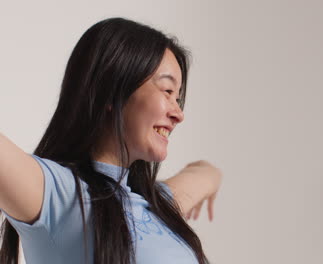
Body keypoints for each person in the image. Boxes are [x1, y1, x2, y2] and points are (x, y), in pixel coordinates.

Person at [0, 17, 222, 264]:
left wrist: (214, 177)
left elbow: (206, 173)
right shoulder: (57, 195)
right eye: (168, 91)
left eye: (178, 99)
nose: (178, 114)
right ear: (112, 89)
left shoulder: (160, 202)